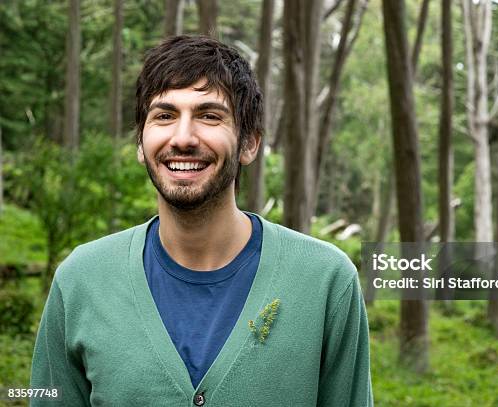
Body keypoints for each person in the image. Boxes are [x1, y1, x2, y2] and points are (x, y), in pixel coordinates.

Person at [30, 35, 372, 406]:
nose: (183, 138)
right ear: (141, 145)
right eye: (164, 116)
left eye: (209, 116)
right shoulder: (81, 280)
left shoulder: (325, 281)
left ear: (249, 143)